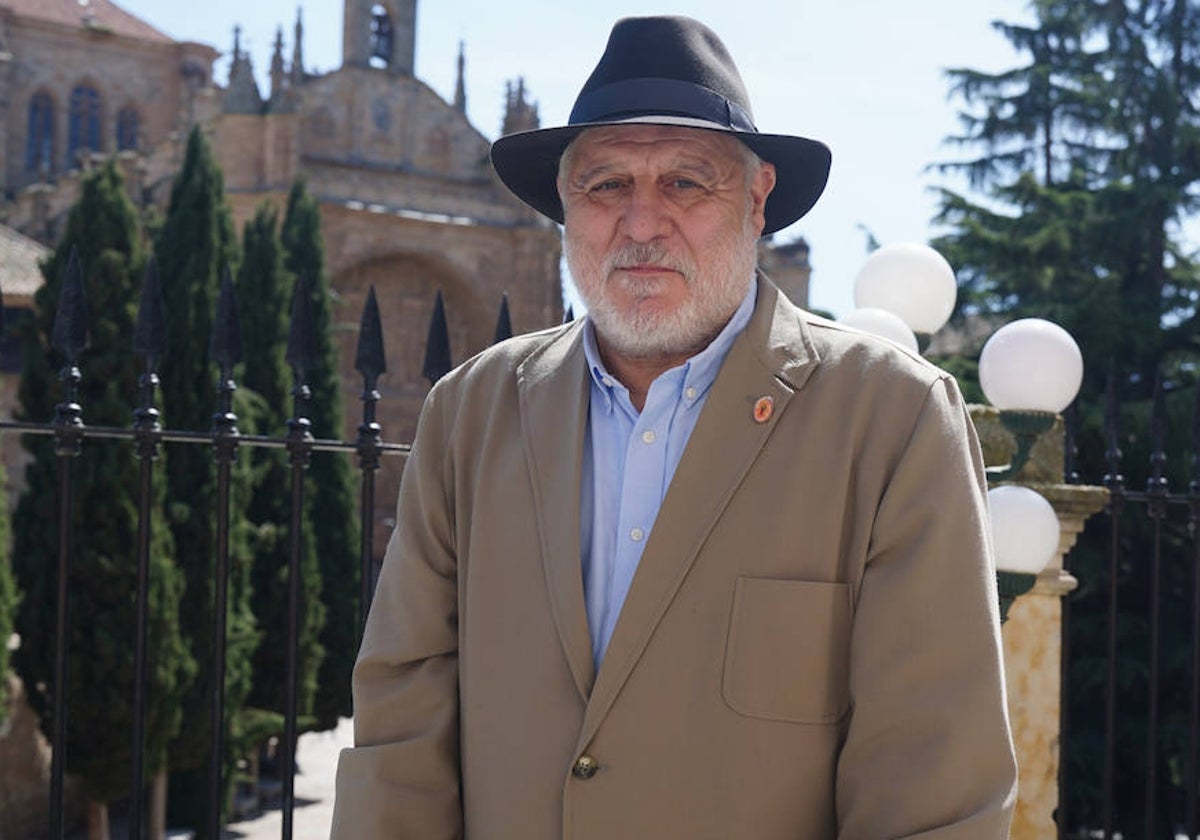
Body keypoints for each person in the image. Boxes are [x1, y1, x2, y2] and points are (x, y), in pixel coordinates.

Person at [332, 15, 1017, 839]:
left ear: (758, 200)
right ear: (564, 206)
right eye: (606, 185)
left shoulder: (891, 422)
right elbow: (401, 736)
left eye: (686, 183)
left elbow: (932, 787)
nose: (643, 221)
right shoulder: (471, 413)